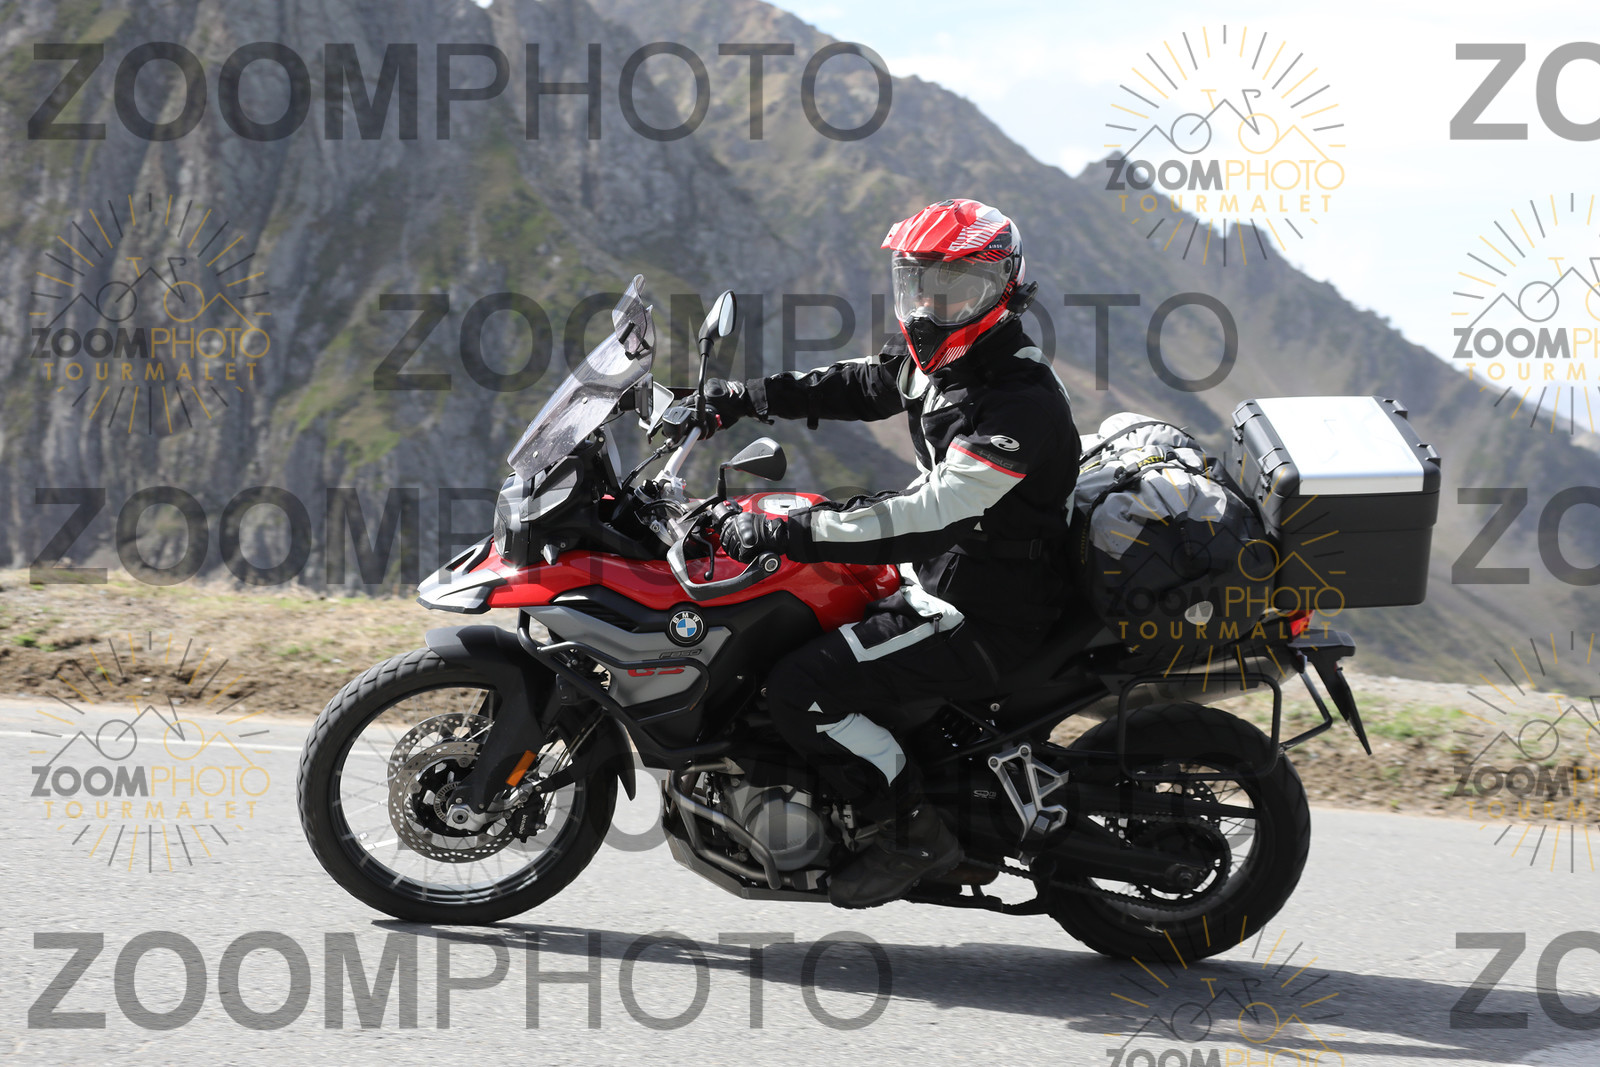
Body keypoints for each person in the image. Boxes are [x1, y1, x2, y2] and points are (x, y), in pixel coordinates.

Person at [697, 199, 1080, 908]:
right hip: (944, 576)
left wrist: (795, 530)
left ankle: (911, 834)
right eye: (919, 286)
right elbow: (864, 382)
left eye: (955, 289)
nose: (931, 307)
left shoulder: (1017, 400)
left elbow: (932, 515)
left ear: (1001, 289)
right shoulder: (950, 360)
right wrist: (743, 398)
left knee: (801, 688)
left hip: (986, 609)